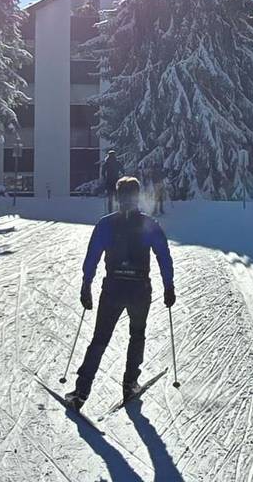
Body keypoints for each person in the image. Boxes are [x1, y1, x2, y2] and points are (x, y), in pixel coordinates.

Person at [65, 176, 175, 410]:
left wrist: (86, 285)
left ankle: (81, 392)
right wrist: (169, 286)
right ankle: (130, 384)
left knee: (100, 339)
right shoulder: (149, 224)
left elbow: (92, 257)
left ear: (117, 196)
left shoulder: (106, 224)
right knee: (137, 334)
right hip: (139, 289)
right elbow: (163, 256)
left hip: (113, 287)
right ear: (137, 196)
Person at [100, 149, 121, 214]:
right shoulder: (117, 162)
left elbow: (102, 172)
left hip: (109, 182)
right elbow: (123, 170)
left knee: (110, 198)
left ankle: (110, 212)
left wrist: (105, 178)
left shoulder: (106, 163)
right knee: (117, 198)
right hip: (116, 181)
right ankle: (118, 211)